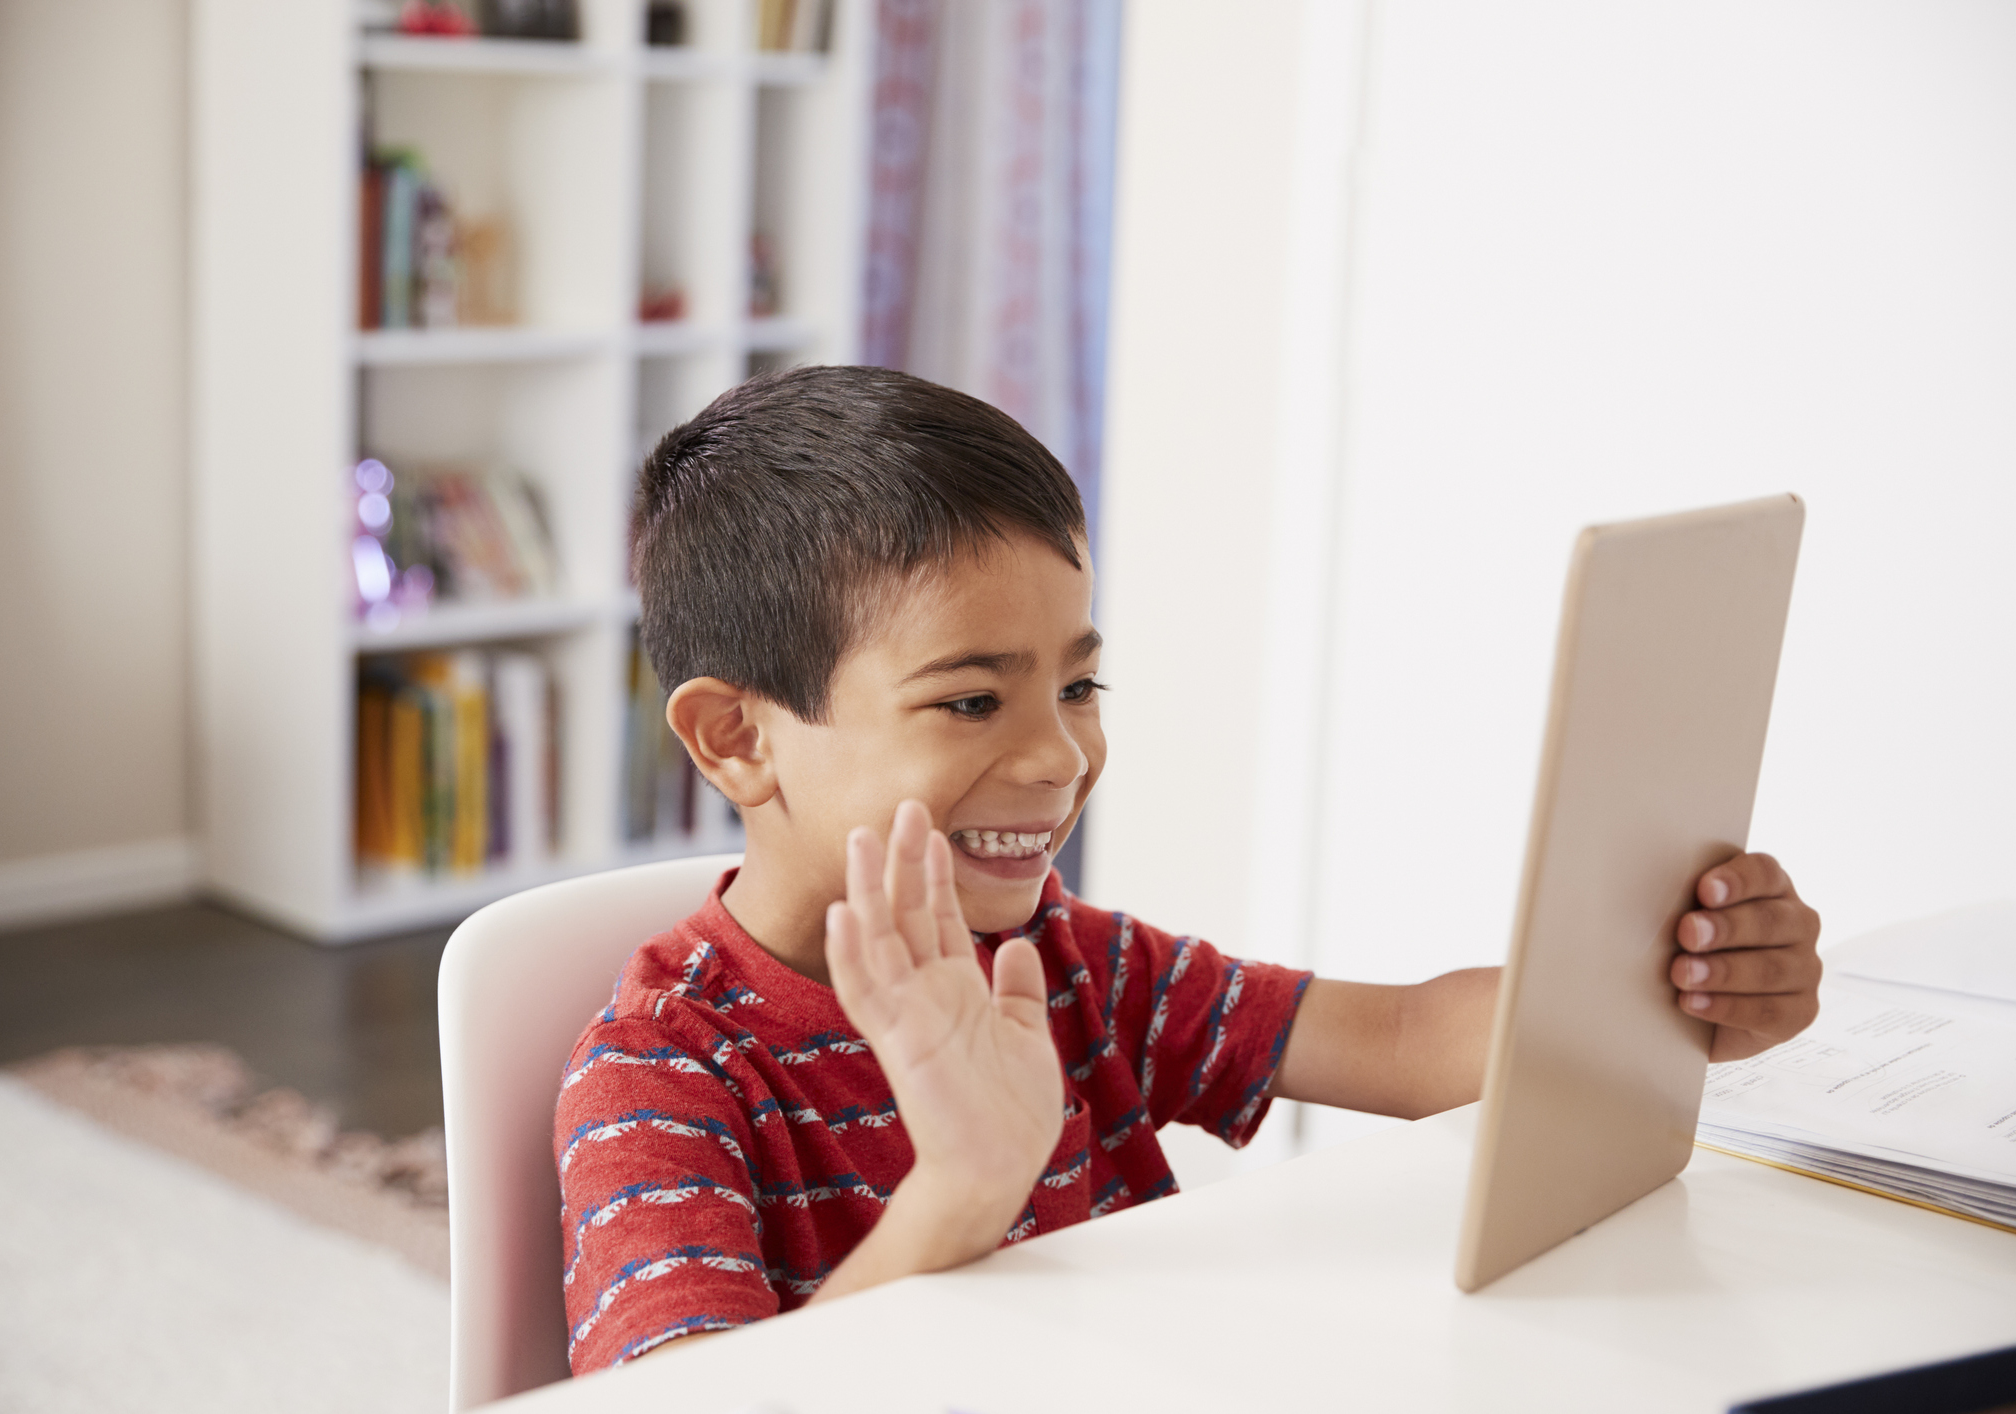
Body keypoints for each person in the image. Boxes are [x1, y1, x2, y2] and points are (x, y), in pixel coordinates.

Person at [554, 366, 1823, 1370]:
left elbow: (1405, 1038)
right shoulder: (660, 1076)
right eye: (971, 701)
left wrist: (1677, 985)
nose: (1061, 754)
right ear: (738, 738)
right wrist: (960, 1193)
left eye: (1078, 683)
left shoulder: (1068, 962)